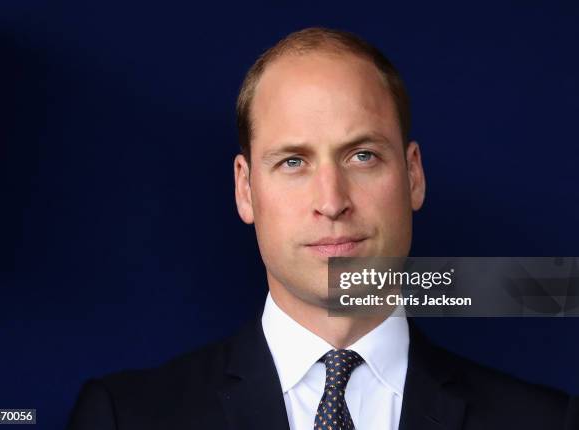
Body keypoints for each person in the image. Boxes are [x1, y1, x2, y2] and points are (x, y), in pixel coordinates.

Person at [66, 27, 578, 430]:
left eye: (362, 155)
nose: (332, 202)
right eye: (293, 162)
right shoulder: (124, 418)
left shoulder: (547, 422)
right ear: (245, 190)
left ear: (413, 175)